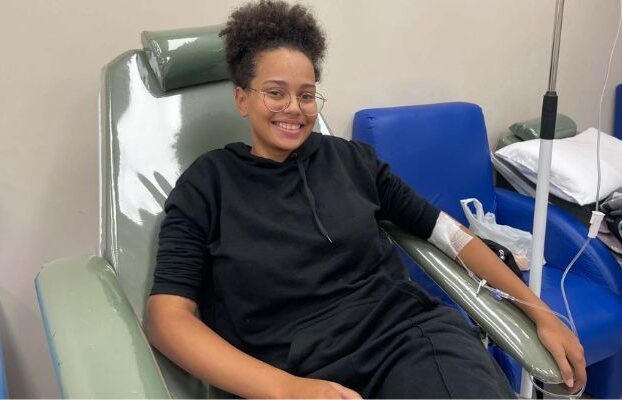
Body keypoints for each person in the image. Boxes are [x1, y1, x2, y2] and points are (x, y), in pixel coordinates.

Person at [147, 1, 586, 398]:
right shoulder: (208, 184)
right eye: (275, 92)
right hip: (289, 372)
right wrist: (286, 389)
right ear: (242, 99)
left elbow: (450, 235)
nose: (294, 108)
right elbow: (166, 317)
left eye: (306, 94)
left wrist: (539, 312)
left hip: (407, 342)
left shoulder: (353, 161)